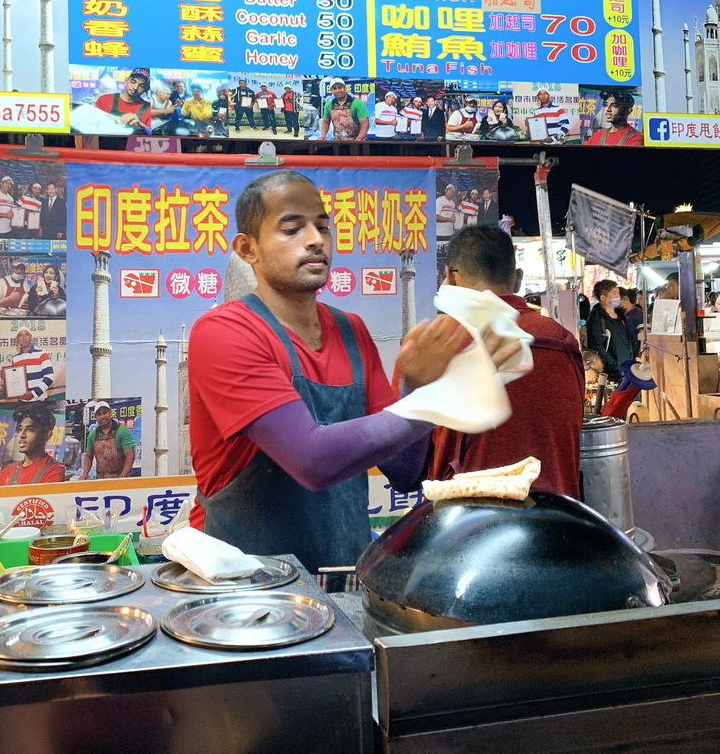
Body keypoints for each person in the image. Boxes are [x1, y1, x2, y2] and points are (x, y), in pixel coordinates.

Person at [186, 169, 514, 571]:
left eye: (323, 227)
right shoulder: (224, 332)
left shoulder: (351, 330)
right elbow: (311, 459)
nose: (315, 240)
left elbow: (406, 471)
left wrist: (417, 386)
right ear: (247, 248)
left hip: (342, 578)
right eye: (292, 229)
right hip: (246, 585)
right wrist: (441, 399)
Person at [428, 226, 585, 496]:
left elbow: (405, 469)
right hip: (557, 521)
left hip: (464, 526)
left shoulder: (434, 344)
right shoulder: (563, 341)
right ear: (518, 278)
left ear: (450, 277)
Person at [0, 403, 66, 486]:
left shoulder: (54, 470)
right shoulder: (8, 472)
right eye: (20, 429)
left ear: (47, 435)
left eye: (30, 429)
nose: (22, 435)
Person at [585, 279, 638, 383]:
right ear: (603, 298)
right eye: (614, 293)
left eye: (618, 293)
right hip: (611, 373)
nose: (618, 296)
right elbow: (597, 346)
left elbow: (629, 338)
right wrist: (614, 365)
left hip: (627, 369)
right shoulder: (596, 318)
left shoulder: (621, 315)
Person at [80, 402, 137, 479]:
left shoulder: (122, 431)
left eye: (105, 413)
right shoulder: (93, 434)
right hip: (100, 480)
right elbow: (88, 456)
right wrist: (85, 474)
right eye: (99, 414)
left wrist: (122, 478)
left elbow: (130, 456)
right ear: (96, 417)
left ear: (110, 413)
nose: (102, 416)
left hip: (120, 478)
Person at [7, 328, 55, 400]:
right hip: (21, 402)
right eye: (20, 335)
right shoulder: (15, 358)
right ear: (17, 339)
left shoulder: (41, 354)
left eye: (26, 334)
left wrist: (34, 393)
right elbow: (15, 379)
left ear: (31, 337)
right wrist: (6, 377)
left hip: (39, 401)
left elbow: (50, 376)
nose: (24, 338)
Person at [435, 182, 458, 249]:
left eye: (452, 191)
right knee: (440, 252)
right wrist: (449, 219)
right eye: (449, 190)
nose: (451, 192)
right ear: (446, 190)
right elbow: (436, 217)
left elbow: (453, 218)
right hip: (440, 233)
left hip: (450, 233)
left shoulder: (453, 204)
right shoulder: (439, 201)